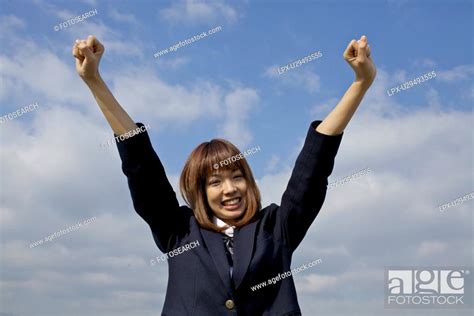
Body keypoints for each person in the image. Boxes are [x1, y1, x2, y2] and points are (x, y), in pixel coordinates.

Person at [72, 34, 376, 316]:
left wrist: (361, 83)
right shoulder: (179, 231)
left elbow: (313, 169)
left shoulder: (276, 228)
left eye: (237, 177)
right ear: (200, 192)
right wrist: (94, 81)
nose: (229, 189)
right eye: (215, 182)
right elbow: (142, 167)